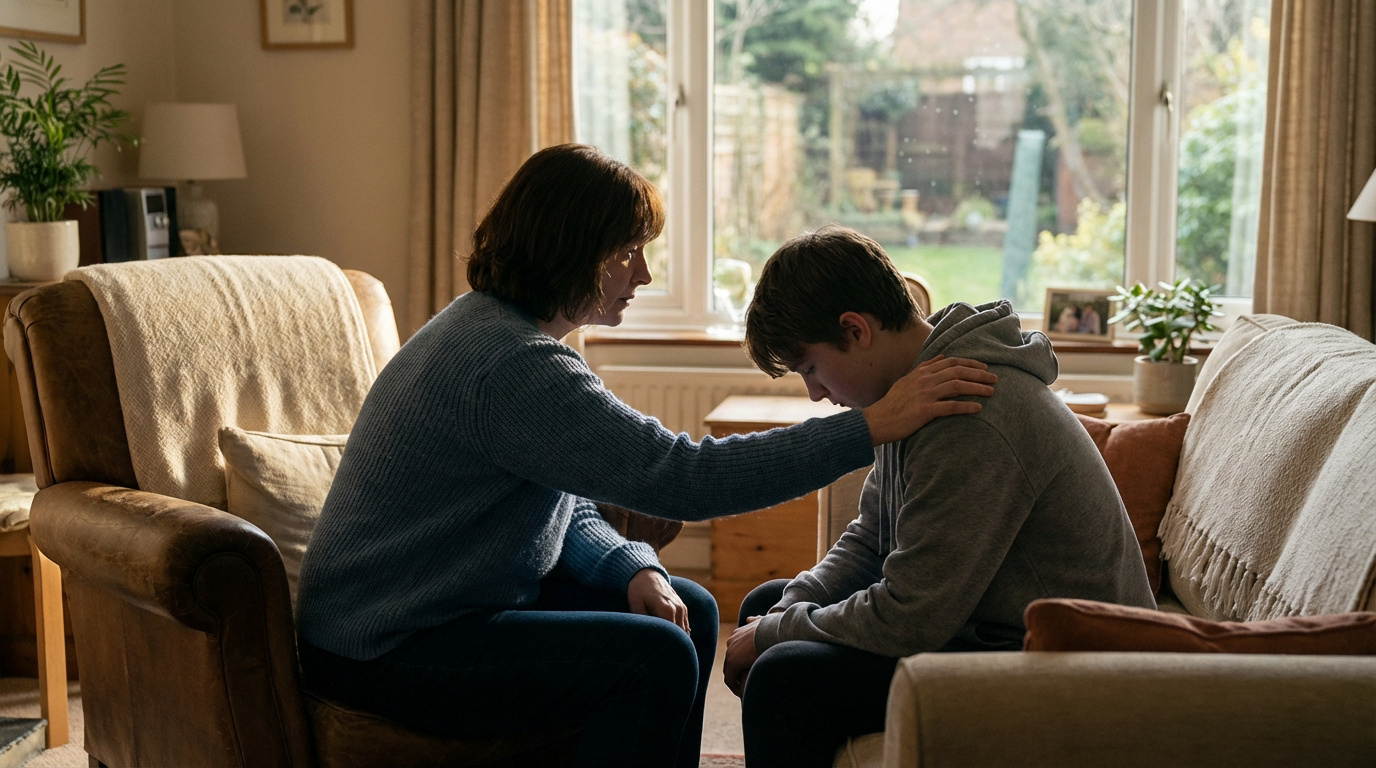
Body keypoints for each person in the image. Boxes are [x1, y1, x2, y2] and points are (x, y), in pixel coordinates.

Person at [293, 145, 998, 768]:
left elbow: (559, 497)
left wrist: (634, 565)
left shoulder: (496, 331)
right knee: (652, 658)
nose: (645, 274)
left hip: (445, 609)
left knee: (684, 605)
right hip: (387, 644)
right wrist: (869, 427)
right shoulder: (508, 363)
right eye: (628, 252)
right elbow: (685, 478)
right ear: (575, 251)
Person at [724, 225, 1156, 768]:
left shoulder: (968, 410)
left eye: (810, 368)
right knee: (764, 606)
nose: (815, 392)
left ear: (855, 330)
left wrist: (776, 634)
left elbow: (911, 614)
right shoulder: (913, 391)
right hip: (983, 627)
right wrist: (784, 612)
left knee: (782, 678)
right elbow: (869, 540)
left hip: (1062, 663)